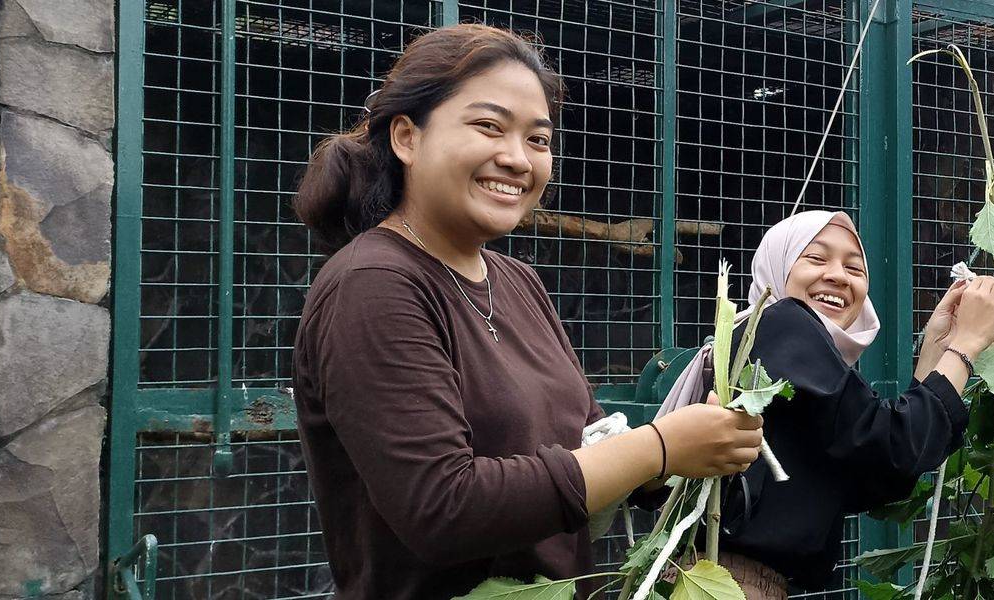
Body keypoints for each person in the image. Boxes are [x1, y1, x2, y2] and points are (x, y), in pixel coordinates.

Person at [289, 24, 765, 599]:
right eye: (488, 126)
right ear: (407, 138)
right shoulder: (373, 284)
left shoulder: (518, 281)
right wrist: (659, 446)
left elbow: (589, 444)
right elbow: (444, 509)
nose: (517, 159)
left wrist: (689, 456)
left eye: (538, 139)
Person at [693, 210, 994, 597]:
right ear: (776, 265)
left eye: (855, 266)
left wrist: (941, 345)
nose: (837, 275)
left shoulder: (768, 348)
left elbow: (875, 472)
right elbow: (894, 446)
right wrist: (966, 345)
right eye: (815, 258)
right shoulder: (784, 322)